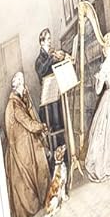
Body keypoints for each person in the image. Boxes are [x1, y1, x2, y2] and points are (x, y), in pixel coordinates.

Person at [80, 2, 110, 182]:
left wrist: (98, 78)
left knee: (99, 130)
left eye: (103, 46)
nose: (102, 49)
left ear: (105, 46)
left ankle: (104, 164)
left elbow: (99, 90)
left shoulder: (106, 64)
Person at [3, 70, 50, 217]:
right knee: (37, 162)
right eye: (23, 84)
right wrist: (42, 126)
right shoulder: (14, 105)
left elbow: (29, 116)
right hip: (20, 148)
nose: (25, 87)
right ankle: (39, 200)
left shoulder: (18, 100)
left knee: (39, 154)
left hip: (24, 142)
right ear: (17, 86)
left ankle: (44, 195)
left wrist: (27, 99)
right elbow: (28, 124)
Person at [35, 28, 68, 156]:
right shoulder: (39, 60)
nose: (50, 41)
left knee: (61, 124)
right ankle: (57, 157)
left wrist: (63, 57)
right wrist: (51, 57)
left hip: (56, 96)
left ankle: (64, 155)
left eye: (50, 39)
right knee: (55, 125)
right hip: (48, 103)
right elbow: (42, 70)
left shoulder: (50, 55)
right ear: (42, 42)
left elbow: (57, 66)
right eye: (48, 39)